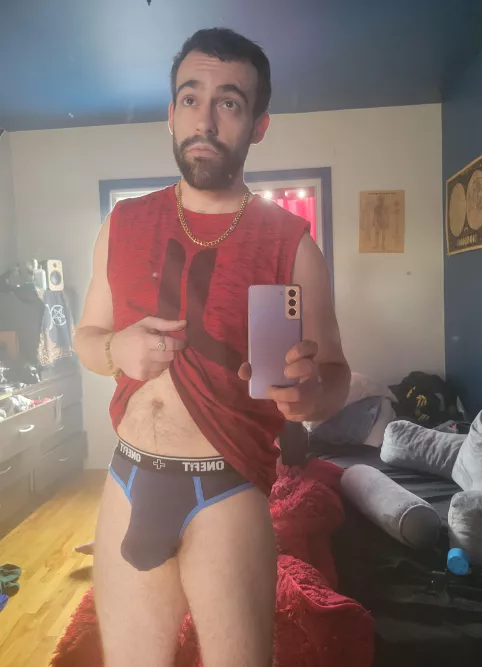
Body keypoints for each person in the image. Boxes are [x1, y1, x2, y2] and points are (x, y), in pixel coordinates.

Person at [74, 27, 350, 667]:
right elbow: (85, 340)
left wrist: (311, 395)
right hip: (128, 478)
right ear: (171, 114)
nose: (204, 119)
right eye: (190, 98)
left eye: (229, 102)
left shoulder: (292, 244)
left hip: (227, 489)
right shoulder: (121, 223)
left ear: (258, 125)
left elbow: (336, 374)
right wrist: (115, 350)